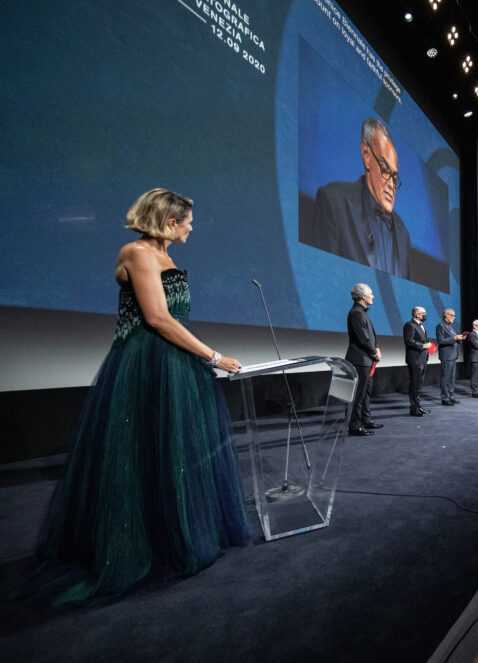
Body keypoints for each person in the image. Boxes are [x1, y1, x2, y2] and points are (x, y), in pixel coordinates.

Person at [16, 189, 249, 605]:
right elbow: (158, 319)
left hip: (176, 364)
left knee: (177, 453)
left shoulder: (164, 255)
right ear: (170, 222)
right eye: (188, 221)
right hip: (148, 365)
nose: (192, 227)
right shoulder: (137, 253)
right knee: (143, 455)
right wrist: (215, 356)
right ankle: (145, 546)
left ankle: (177, 536)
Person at [302, 118, 412, 279]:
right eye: (385, 170)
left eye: (395, 177)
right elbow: (323, 277)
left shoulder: (403, 234)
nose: (391, 185)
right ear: (366, 155)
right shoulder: (334, 201)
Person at [345, 283, 382, 436]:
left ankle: (366, 420)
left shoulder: (362, 312)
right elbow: (363, 338)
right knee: (359, 395)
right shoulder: (356, 313)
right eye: (370, 293)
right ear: (362, 296)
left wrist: (376, 348)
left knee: (366, 392)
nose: (373, 296)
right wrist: (374, 352)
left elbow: (370, 337)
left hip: (366, 359)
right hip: (360, 360)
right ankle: (355, 426)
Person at [403, 306, 433, 417]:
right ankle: (414, 408)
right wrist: (423, 345)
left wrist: (426, 343)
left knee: (419, 385)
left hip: (422, 359)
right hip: (415, 359)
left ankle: (418, 406)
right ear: (416, 314)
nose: (425, 315)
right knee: (415, 384)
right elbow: (408, 341)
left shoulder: (421, 325)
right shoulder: (409, 325)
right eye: (423, 313)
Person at [435, 308, 465, 406]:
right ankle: (445, 398)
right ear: (447, 315)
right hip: (446, 356)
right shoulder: (440, 325)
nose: (454, 317)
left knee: (452, 378)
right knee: (446, 378)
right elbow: (440, 341)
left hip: (453, 355)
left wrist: (460, 339)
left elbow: (454, 339)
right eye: (453, 315)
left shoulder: (450, 327)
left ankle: (451, 396)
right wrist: (454, 338)